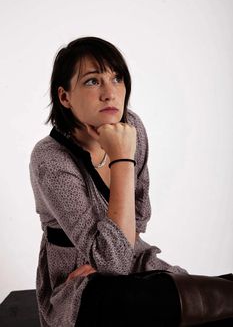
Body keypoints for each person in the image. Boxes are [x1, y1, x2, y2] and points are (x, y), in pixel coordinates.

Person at [30, 36, 233, 327]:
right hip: (79, 283)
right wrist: (122, 160)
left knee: (181, 301)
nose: (110, 93)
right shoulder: (50, 158)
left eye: (117, 78)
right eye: (92, 81)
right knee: (136, 300)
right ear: (64, 97)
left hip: (132, 266)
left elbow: (138, 219)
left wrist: (113, 255)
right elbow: (112, 262)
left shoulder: (132, 126)